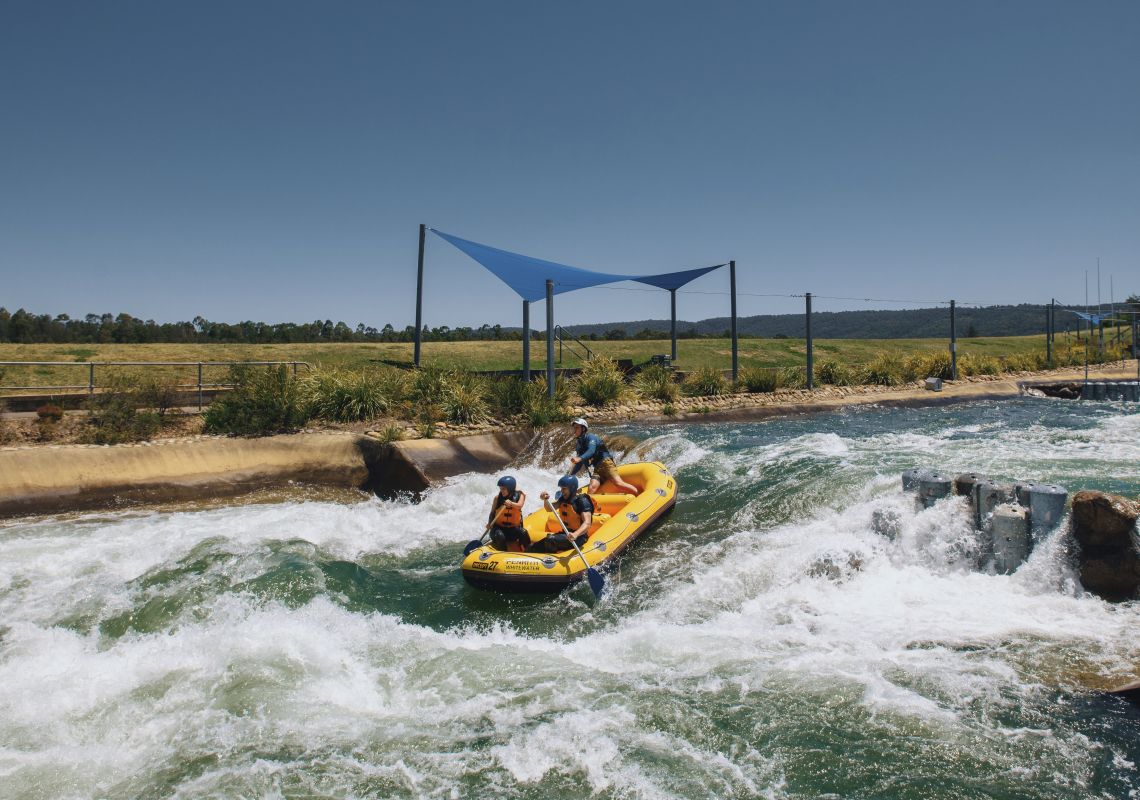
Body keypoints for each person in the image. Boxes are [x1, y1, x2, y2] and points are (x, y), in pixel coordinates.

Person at [568, 417, 638, 495]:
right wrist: (570, 475)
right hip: (597, 468)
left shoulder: (591, 437)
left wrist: (579, 458)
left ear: (583, 429)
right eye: (574, 428)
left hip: (606, 463)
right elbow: (579, 463)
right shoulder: (579, 444)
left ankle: (638, 493)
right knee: (591, 488)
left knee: (619, 483)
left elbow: (591, 451)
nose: (574, 430)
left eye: (577, 427)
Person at [531, 475, 594, 553]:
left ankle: (550, 559)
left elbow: (587, 523)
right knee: (532, 547)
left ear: (572, 488)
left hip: (579, 538)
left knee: (550, 539)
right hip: (566, 534)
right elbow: (549, 509)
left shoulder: (582, 501)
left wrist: (576, 534)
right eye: (561, 488)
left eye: (564, 488)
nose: (561, 491)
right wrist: (545, 500)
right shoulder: (563, 499)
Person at [488, 475, 529, 551]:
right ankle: (503, 553)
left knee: (523, 533)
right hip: (499, 529)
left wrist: (511, 504)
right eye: (500, 489)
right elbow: (492, 513)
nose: (501, 491)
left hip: (513, 530)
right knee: (500, 536)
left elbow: (520, 505)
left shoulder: (520, 495)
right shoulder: (497, 498)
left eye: (504, 489)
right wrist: (489, 523)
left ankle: (528, 551)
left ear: (510, 489)